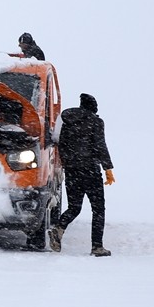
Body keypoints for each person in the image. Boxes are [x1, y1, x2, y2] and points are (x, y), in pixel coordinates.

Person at [52, 93, 115, 256]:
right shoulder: (95, 122)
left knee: (74, 207)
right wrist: (108, 168)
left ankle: (59, 228)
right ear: (93, 107)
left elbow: (59, 142)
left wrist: (67, 163)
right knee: (98, 209)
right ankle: (97, 246)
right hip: (90, 171)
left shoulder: (66, 120)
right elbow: (100, 145)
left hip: (72, 171)